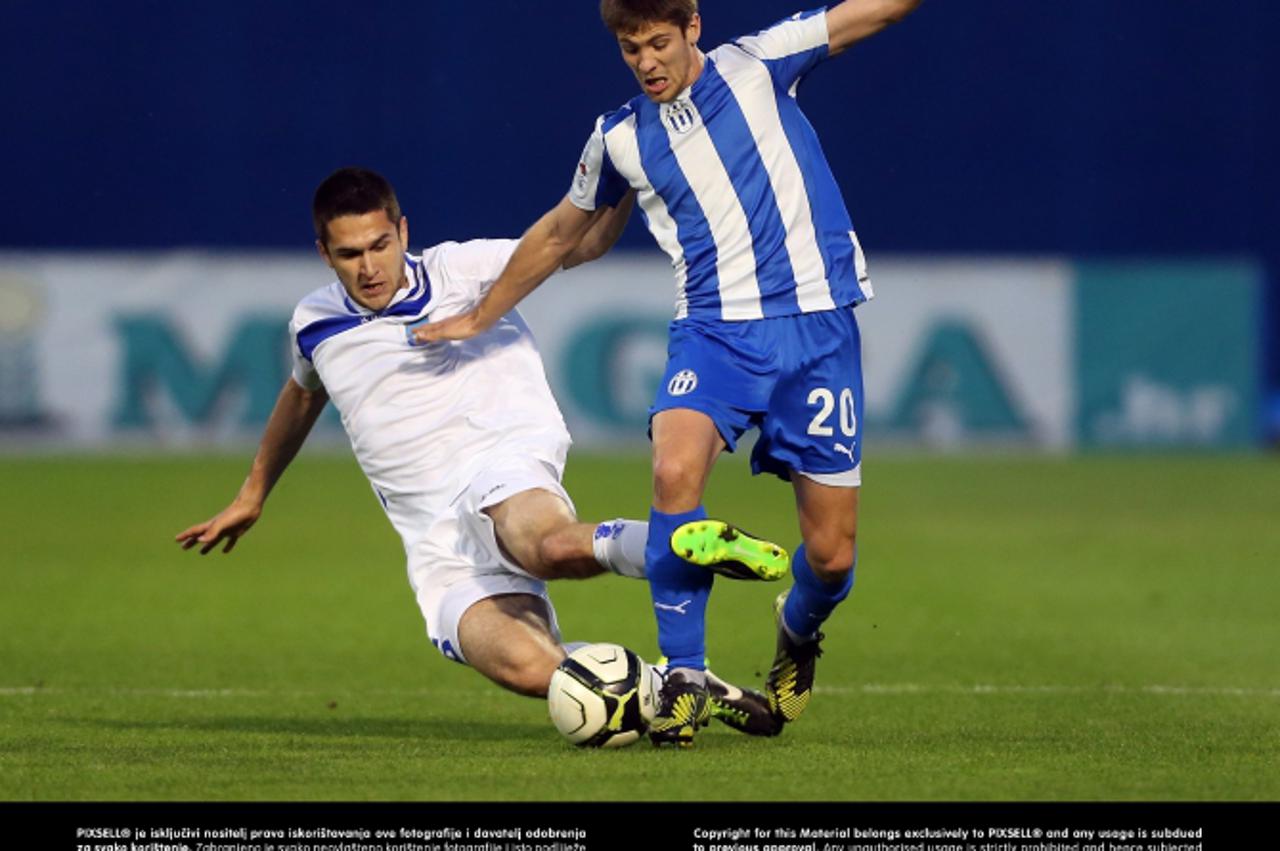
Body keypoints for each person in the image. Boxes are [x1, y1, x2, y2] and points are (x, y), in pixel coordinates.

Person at [415, 0, 923, 746]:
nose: (647, 62)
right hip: (711, 334)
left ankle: (798, 629)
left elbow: (866, 16)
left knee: (831, 556)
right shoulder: (618, 137)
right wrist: (479, 313)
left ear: (692, 27)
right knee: (673, 477)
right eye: (630, 49)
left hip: (818, 333)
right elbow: (562, 228)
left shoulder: (759, 63)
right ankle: (684, 674)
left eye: (658, 43)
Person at [175, 167, 780, 733]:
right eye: (349, 254)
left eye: (380, 245)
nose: (368, 267)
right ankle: (681, 687)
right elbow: (302, 397)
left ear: (403, 231)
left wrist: (621, 180)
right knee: (534, 671)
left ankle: (671, 545)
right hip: (436, 539)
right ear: (324, 254)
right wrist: (253, 493)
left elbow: (581, 245)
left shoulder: (464, 269)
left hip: (500, 460)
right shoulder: (314, 323)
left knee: (540, 545)